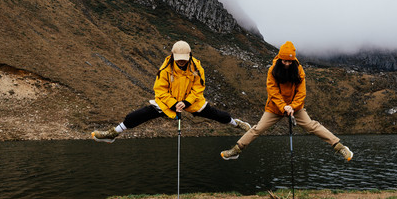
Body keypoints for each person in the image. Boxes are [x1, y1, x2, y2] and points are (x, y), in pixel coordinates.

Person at [92, 41, 251, 142]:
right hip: (169, 101)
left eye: (183, 58)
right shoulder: (165, 69)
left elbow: (198, 88)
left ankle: (237, 123)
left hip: (191, 101)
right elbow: (160, 90)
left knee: (217, 114)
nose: (181, 61)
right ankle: (113, 133)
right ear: (173, 55)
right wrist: (174, 104)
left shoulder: (197, 67)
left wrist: (186, 102)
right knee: (139, 115)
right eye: (178, 58)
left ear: (189, 56)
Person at [220, 41, 353, 161]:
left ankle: (340, 147)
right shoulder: (272, 70)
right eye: (284, 61)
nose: (287, 64)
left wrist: (292, 106)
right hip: (275, 107)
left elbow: (301, 93)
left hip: (296, 107)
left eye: (290, 61)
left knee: (311, 126)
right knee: (258, 129)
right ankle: (236, 150)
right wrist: (284, 106)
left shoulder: (299, 70)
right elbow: (272, 91)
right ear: (280, 58)